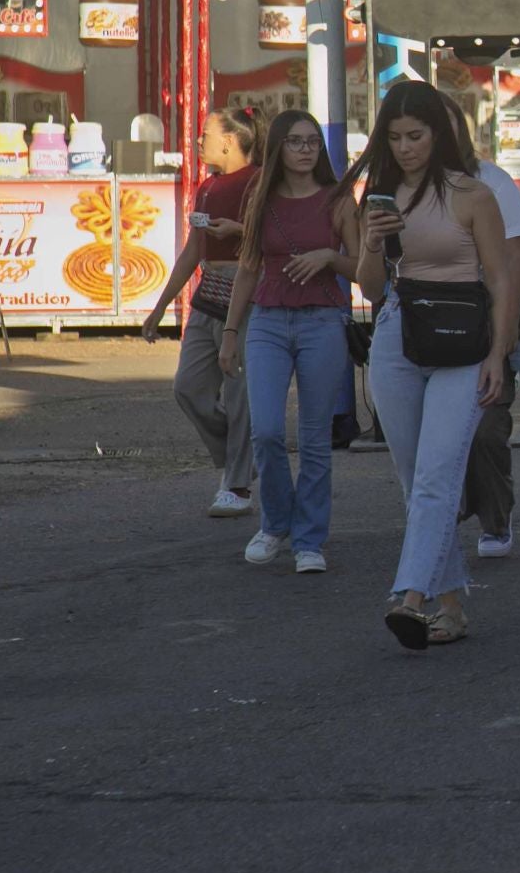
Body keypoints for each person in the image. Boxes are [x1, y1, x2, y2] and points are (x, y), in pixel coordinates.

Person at [352, 81, 517, 650]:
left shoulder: (473, 194)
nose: (405, 147)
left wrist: (499, 353)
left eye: (416, 135)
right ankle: (449, 606)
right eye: (394, 137)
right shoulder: (378, 195)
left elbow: (501, 281)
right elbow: (371, 289)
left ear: (438, 134)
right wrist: (372, 241)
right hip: (399, 329)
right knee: (414, 478)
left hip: (465, 335)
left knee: (436, 473)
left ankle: (411, 596)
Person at [218, 111, 359, 573]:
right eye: (295, 142)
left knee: (316, 439)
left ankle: (310, 540)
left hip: (322, 322)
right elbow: (248, 268)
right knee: (267, 431)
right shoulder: (259, 196)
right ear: (277, 147)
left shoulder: (338, 200)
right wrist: (231, 332)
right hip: (268, 322)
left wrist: (329, 258)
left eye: (312, 142)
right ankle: (276, 523)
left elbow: (363, 269)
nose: (304, 150)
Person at [437, 92, 520, 560]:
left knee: (485, 430)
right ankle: (442, 515)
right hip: (427, 324)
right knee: (435, 435)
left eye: (443, 125)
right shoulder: (400, 185)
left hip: (487, 321)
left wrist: (502, 340)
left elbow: (515, 263)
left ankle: (495, 518)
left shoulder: (491, 181)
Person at [144, 107, 261, 519]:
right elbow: (194, 249)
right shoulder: (208, 186)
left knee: (240, 393)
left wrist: (239, 232)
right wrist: (160, 307)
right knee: (188, 388)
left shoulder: (260, 182)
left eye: (206, 132)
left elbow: (277, 239)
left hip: (248, 298)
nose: (198, 140)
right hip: (206, 296)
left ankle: (239, 483)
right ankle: (242, 457)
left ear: (229, 140)